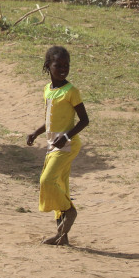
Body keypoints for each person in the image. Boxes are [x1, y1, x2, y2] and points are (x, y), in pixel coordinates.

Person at [25, 45, 89, 246]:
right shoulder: (47, 90)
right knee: (60, 186)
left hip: (68, 146)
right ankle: (63, 236)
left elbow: (84, 120)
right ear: (48, 66)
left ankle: (69, 211)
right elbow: (50, 121)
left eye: (66, 65)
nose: (63, 69)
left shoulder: (71, 91)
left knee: (47, 181)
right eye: (58, 65)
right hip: (53, 144)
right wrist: (36, 133)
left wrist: (67, 137)